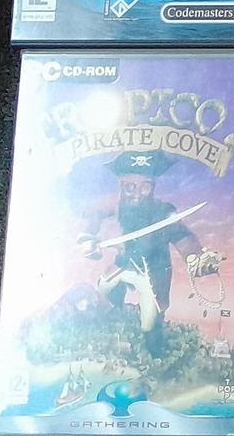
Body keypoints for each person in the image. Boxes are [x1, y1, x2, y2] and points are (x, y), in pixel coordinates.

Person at [90, 152, 211, 356]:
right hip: (123, 264)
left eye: (145, 187)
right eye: (130, 187)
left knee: (150, 320)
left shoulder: (164, 212)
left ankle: (154, 355)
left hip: (151, 273)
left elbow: (182, 236)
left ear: (153, 187)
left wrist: (195, 258)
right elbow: (93, 215)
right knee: (103, 288)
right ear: (121, 186)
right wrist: (88, 240)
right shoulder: (116, 205)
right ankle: (113, 317)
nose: (138, 194)